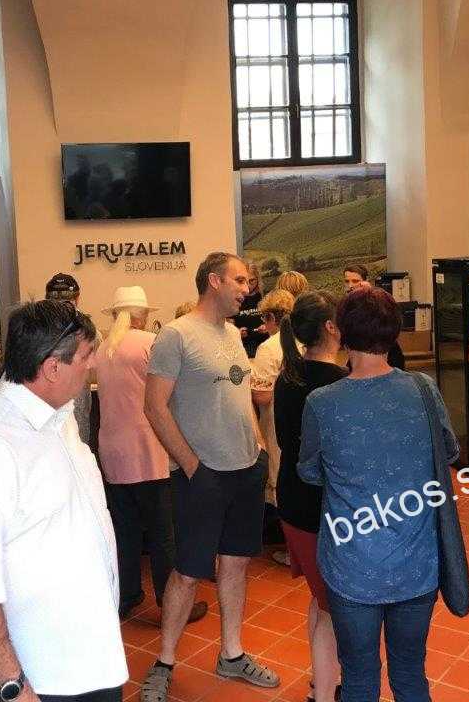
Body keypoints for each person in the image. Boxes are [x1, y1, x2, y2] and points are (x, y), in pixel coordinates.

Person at [0, 300, 128, 702]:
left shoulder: (58, 415)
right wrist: (14, 689)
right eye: (86, 356)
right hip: (39, 680)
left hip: (87, 660)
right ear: (52, 368)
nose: (93, 364)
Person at [299, 286, 460, 702]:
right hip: (416, 562)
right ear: (394, 331)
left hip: (351, 563)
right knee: (410, 673)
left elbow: (309, 472)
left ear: (341, 332)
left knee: (358, 677)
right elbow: (450, 452)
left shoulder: (321, 402)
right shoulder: (423, 389)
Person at [141, 252, 279, 702]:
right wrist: (191, 465)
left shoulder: (232, 334)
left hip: (245, 468)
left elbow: (238, 397)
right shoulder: (176, 335)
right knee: (187, 572)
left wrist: (259, 447)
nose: (247, 289)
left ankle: (232, 654)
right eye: (239, 280)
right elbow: (154, 407)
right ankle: (164, 661)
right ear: (214, 281)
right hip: (203, 475)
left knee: (235, 564)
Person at [94, 286, 207, 623]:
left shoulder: (104, 348)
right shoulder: (150, 344)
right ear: (143, 315)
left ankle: (127, 595)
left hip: (113, 450)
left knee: (125, 532)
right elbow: (170, 394)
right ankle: (171, 603)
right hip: (149, 450)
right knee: (162, 533)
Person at [274, 290, 345, 702]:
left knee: (320, 600)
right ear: (332, 327)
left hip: (293, 501)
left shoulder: (289, 376)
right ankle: (326, 692)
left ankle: (322, 681)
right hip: (323, 508)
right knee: (333, 609)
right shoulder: (336, 384)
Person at [250, 289, 299, 508]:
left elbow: (262, 397)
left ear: (270, 317)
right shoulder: (305, 339)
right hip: (301, 418)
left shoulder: (268, 347)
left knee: (279, 475)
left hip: (276, 421)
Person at [45, 272, 91, 444]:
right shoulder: (88, 328)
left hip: (50, 416)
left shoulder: (35, 329)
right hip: (74, 416)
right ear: (77, 299)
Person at [342, 264, 405, 369]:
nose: (350, 286)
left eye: (355, 281)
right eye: (347, 281)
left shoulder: (378, 302)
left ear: (365, 282)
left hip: (386, 357)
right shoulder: (345, 306)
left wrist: (369, 296)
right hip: (358, 358)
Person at [233, 261, 266, 358]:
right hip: (243, 348)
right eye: (244, 281)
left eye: (252, 281)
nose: (248, 286)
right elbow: (228, 325)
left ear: (258, 279)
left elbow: (275, 322)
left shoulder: (265, 297)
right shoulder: (234, 299)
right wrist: (237, 332)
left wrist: (267, 327)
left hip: (264, 345)